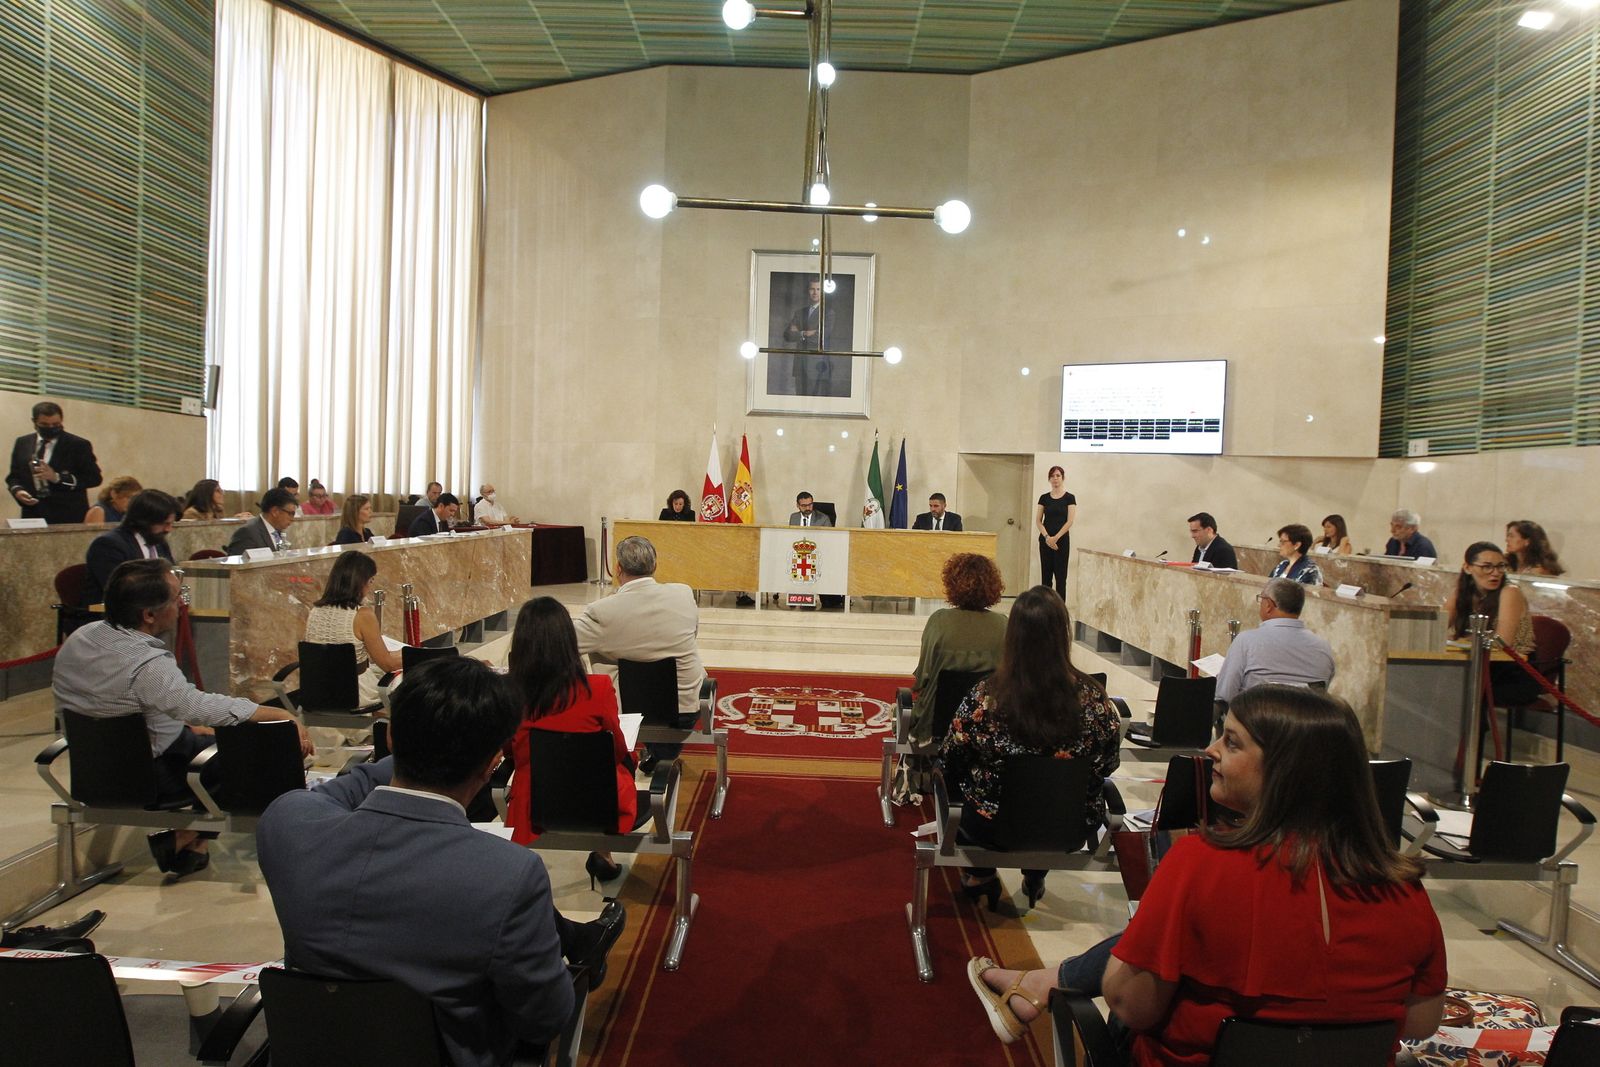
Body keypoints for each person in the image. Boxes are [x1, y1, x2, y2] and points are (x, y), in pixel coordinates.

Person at [966, 686, 1447, 1061]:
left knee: (1145, 953)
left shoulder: (1200, 863)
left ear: (1286, 771)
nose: (1211, 749)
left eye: (1231, 742)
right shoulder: (1404, 890)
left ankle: (1042, 984)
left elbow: (1132, 1006)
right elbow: (1422, 1021)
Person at [256, 657, 627, 1067]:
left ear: (391, 736)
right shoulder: (508, 875)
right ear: (492, 763)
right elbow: (544, 1018)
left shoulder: (287, 827)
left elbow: (343, 788)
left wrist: (413, 748)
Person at [55, 559, 311, 877]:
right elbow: (196, 706)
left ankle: (191, 844)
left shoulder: (79, 639)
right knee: (268, 755)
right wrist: (277, 713)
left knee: (210, 737)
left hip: (91, 769)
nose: (182, 604)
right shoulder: (145, 663)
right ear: (149, 615)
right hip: (150, 776)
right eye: (177, 597)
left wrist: (189, 725)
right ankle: (196, 836)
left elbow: (123, 706)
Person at [939, 587, 1121, 910]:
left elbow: (951, 756)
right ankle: (1036, 870)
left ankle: (980, 874)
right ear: (1063, 635)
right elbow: (1108, 763)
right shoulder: (1095, 700)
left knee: (958, 786)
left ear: (1013, 637)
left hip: (993, 827)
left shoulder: (987, 697)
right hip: (1069, 826)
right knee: (1052, 797)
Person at [506, 597, 639, 888]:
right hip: (597, 802)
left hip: (535, 802)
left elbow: (508, 750)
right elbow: (615, 749)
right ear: (568, 642)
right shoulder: (598, 688)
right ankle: (603, 854)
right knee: (618, 764)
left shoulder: (510, 693)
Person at [573, 535, 706, 769]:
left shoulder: (601, 612)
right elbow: (692, 635)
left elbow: (561, 645)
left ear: (618, 568)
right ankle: (660, 755)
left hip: (628, 712)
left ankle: (647, 754)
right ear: (654, 565)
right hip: (686, 706)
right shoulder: (684, 594)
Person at [908, 553, 1007, 743]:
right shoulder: (1003, 625)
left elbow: (923, 677)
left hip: (936, 723)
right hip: (986, 724)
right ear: (993, 585)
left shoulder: (939, 621)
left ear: (952, 584)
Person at [1445, 541, 1539, 705]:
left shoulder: (1510, 592)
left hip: (1512, 670)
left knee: (1452, 685)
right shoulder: (1463, 592)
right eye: (1486, 567)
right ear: (1468, 568)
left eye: (1500, 566)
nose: (1495, 573)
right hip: (1478, 664)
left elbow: (1502, 642)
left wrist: (1462, 641)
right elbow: (1439, 624)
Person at [1214, 577, 1336, 704]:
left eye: (1261, 599)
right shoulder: (1324, 648)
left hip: (1256, 715)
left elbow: (1224, 695)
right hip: (1305, 716)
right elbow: (1321, 696)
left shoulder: (1246, 641)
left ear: (1269, 605)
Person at [304, 551, 402, 706]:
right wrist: (412, 655)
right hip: (353, 692)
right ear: (360, 582)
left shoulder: (314, 611)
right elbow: (387, 664)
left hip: (318, 690)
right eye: (370, 581)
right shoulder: (362, 615)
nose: (370, 587)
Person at [7, 400, 102, 524]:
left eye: (56, 424)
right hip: (32, 514)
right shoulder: (22, 442)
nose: (51, 428)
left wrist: (56, 477)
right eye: (45, 424)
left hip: (68, 516)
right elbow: (14, 476)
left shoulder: (78, 445)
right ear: (34, 422)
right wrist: (18, 491)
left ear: (61, 421)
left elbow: (94, 478)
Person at [83, 489, 181, 606]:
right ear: (144, 521)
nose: (168, 529)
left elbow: (171, 578)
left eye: (171, 524)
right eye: (164, 523)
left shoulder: (159, 543)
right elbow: (122, 591)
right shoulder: (108, 545)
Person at [783, 278, 834, 395]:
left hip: (817, 366)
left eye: (818, 289)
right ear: (808, 291)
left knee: (816, 402)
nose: (815, 292)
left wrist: (799, 332)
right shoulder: (799, 312)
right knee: (799, 399)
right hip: (800, 364)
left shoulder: (828, 313)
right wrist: (805, 333)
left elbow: (821, 337)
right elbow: (787, 335)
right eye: (812, 289)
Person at [1035, 466, 1076, 597]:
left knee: (1061, 578)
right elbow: (1038, 521)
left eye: (1058, 475)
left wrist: (1056, 538)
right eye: (1052, 476)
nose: (1055, 478)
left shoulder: (1069, 498)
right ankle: (1046, 607)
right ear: (1049, 479)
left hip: (1061, 542)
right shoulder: (1044, 498)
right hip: (1046, 541)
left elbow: (1070, 521)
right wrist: (1047, 538)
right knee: (1046, 578)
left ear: (1062, 478)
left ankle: (1060, 608)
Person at [225, 487, 299, 554]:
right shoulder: (247, 533)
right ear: (275, 511)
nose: (292, 519)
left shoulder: (278, 532)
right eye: (291, 513)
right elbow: (238, 563)